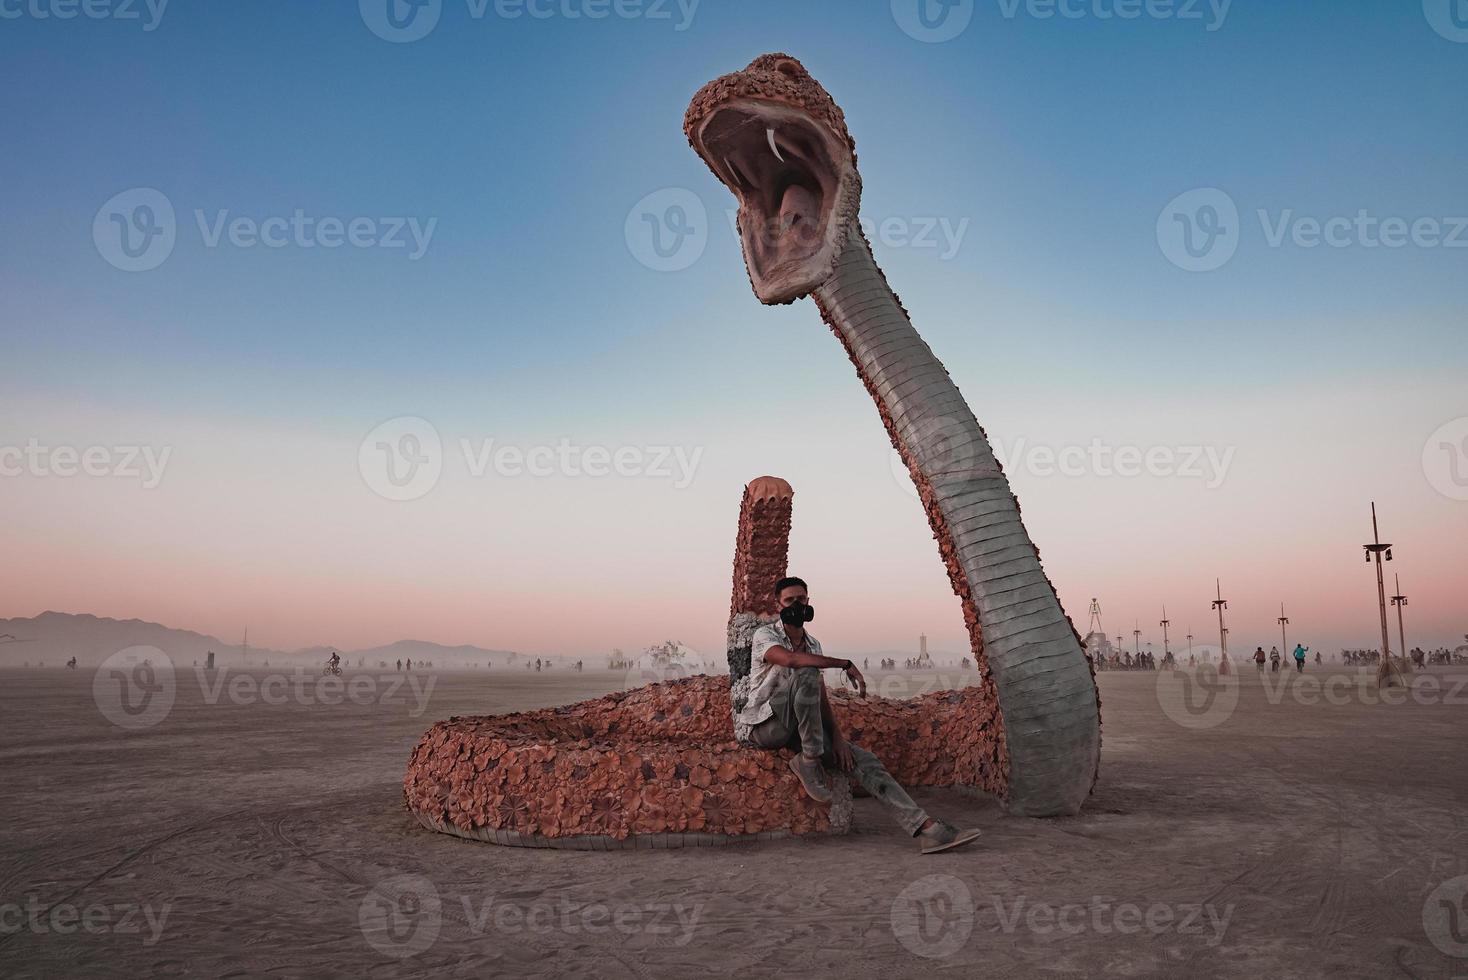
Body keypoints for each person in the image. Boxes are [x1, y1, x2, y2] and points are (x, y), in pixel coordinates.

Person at [739, 576, 981, 854]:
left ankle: (927, 829)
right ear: (778, 604)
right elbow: (792, 661)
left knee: (865, 761)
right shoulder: (765, 636)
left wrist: (839, 738)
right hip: (766, 726)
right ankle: (808, 760)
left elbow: (818, 696)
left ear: (809, 600)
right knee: (806, 672)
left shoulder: (813, 644)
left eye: (802, 600)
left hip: (801, 729)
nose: (797, 605)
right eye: (790, 601)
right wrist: (844, 664)